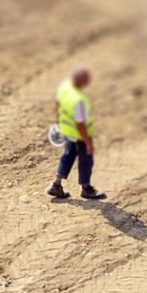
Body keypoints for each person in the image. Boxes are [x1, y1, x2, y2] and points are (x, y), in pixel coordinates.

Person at [49, 66, 102, 203]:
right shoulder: (79, 100)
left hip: (67, 131)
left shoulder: (65, 86)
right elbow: (81, 124)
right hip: (80, 136)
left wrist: (59, 121)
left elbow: (57, 104)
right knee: (86, 161)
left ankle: (56, 184)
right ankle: (86, 188)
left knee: (68, 156)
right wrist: (89, 143)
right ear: (82, 82)